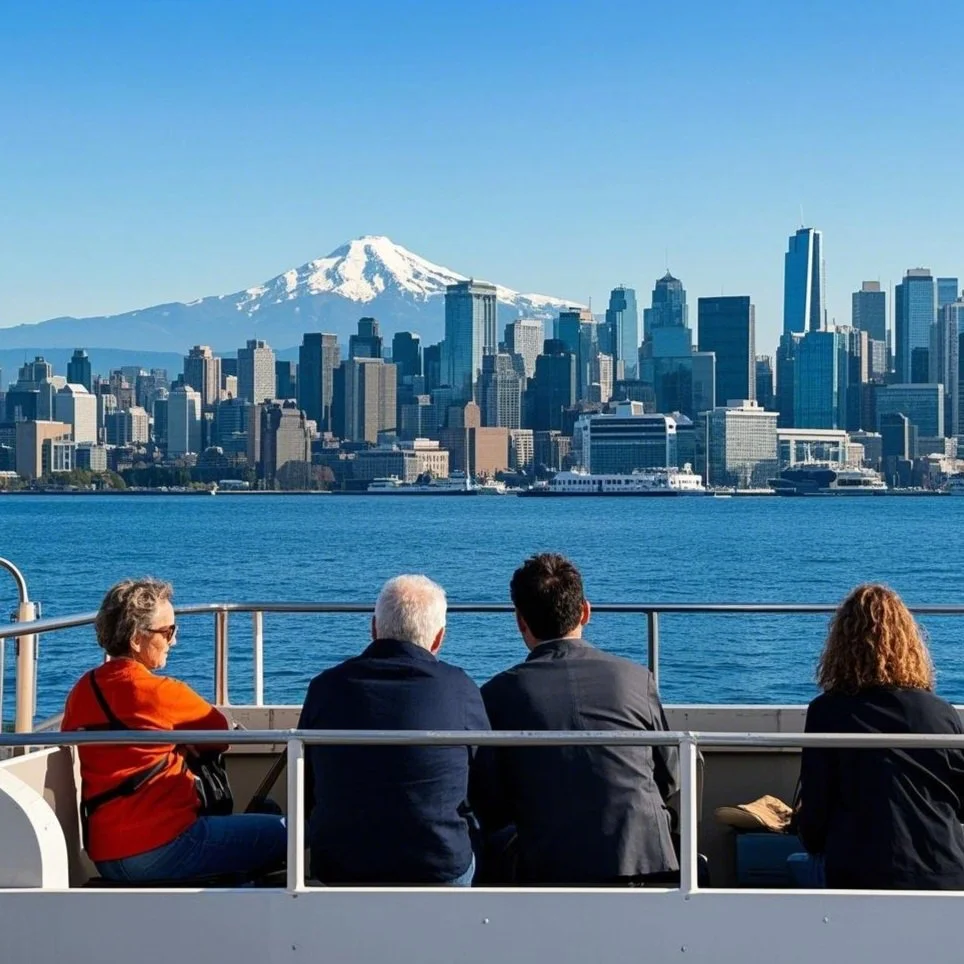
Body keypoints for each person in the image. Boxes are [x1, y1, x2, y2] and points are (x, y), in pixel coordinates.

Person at [473, 552, 680, 885]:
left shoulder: (496, 694)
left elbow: (490, 799)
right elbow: (670, 776)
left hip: (543, 868)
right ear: (585, 611)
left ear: (520, 622)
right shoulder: (636, 679)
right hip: (642, 861)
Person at [61, 579, 286, 883]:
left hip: (106, 856)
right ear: (137, 639)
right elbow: (220, 735)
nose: (174, 641)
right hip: (167, 845)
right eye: (168, 632)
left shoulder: (82, 691)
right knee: (291, 832)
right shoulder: (162, 693)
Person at [298, 574, 490, 886]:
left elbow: (306, 787)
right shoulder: (461, 689)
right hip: (438, 867)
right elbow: (484, 784)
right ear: (439, 638)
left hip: (339, 867)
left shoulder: (325, 688)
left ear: (374, 628)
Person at [797, 584, 964, 890]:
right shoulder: (941, 713)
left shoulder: (826, 713)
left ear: (840, 644)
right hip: (946, 873)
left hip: (860, 874)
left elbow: (814, 825)